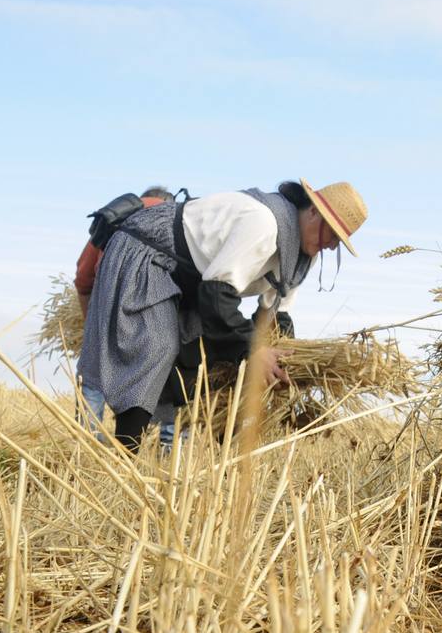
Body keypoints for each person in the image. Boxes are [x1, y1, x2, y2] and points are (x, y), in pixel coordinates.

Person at [78, 179, 367, 452]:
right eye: (332, 235)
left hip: (189, 278)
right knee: (157, 346)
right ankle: (124, 460)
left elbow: (274, 316)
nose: (331, 246)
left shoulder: (299, 259)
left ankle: (219, 459)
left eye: (339, 242)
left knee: (202, 362)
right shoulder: (263, 223)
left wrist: (281, 362)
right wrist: (253, 350)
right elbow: (217, 294)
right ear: (314, 212)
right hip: (147, 249)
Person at [73, 186, 173, 443]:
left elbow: (83, 276)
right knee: (164, 374)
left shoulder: (115, 218)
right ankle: (167, 448)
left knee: (93, 373)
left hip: (108, 306)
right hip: (156, 319)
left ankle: (86, 447)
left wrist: (91, 326)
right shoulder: (178, 221)